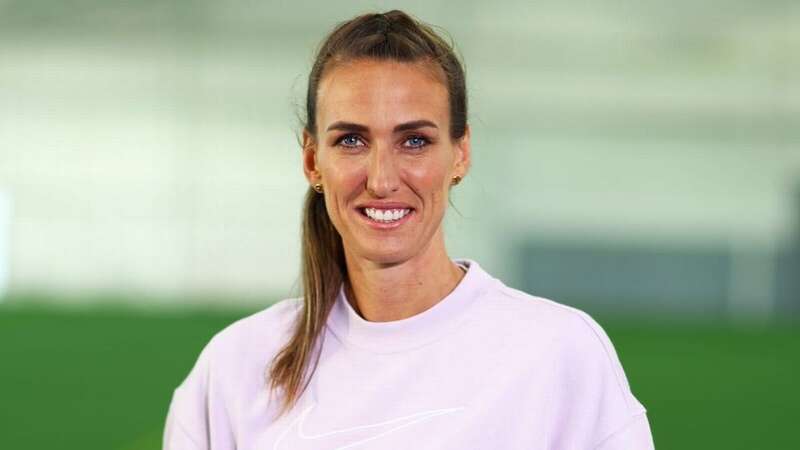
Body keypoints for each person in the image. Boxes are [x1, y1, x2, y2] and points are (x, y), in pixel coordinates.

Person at [162, 9, 655, 450]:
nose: (381, 179)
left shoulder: (560, 355)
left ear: (459, 153)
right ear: (313, 159)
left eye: (414, 141)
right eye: (351, 140)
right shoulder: (235, 368)